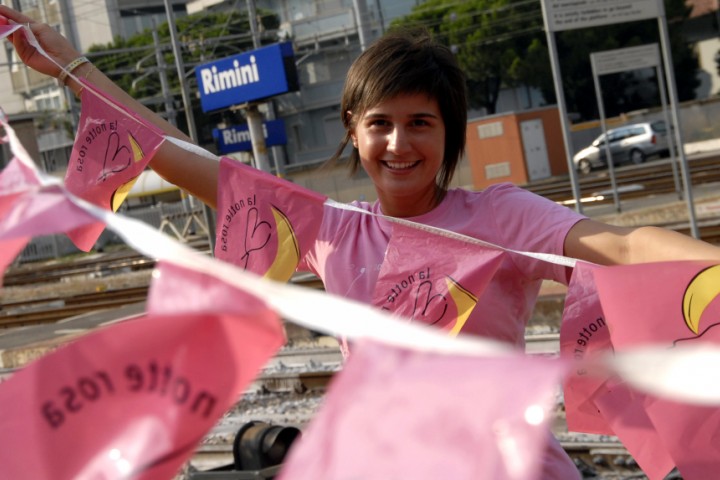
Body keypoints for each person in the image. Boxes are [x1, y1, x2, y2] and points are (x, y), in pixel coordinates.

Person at [2, 5, 720, 478]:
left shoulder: (502, 216)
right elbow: (167, 149)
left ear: (449, 134)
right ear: (353, 129)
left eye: (421, 123)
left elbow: (624, 250)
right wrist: (70, 66)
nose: (399, 143)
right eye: (380, 123)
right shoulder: (327, 230)